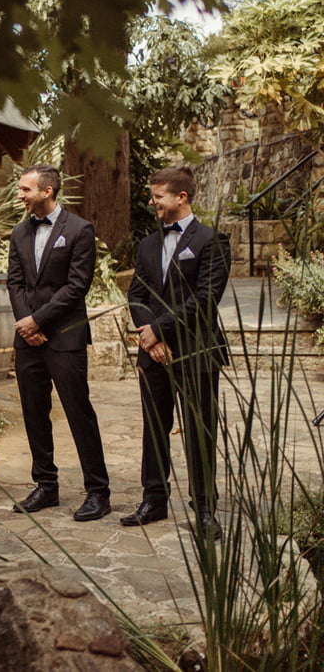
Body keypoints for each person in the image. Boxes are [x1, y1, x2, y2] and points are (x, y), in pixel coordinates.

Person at [122, 166, 230, 539]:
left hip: (196, 353)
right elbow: (136, 294)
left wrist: (159, 329)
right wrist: (150, 339)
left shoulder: (212, 241)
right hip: (154, 354)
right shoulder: (148, 245)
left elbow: (206, 298)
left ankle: (205, 508)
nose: (153, 203)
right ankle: (154, 499)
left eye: (159, 196)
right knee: (154, 428)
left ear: (181, 197)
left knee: (200, 431)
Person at [7, 164, 111, 521]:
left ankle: (98, 491)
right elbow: (15, 283)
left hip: (65, 337)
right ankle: (46, 486)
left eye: (25, 189)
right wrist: (27, 325)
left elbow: (77, 285)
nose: (20, 195)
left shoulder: (79, 230)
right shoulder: (19, 232)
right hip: (28, 340)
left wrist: (39, 320)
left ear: (47, 191)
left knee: (79, 412)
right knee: (34, 413)